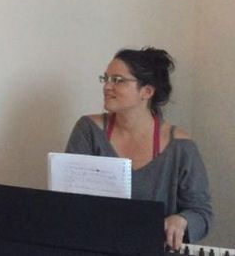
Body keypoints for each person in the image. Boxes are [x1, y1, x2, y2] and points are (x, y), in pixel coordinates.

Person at [65, 47, 213, 250]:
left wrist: (181, 220)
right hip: (93, 246)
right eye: (105, 78)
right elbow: (65, 201)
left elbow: (201, 213)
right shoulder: (88, 130)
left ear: (147, 91)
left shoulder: (181, 146)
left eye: (118, 80)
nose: (107, 86)